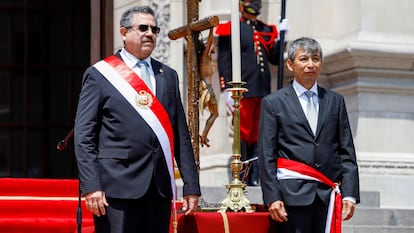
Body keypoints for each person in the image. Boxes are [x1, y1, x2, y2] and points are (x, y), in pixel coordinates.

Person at [74, 5, 200, 233]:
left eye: (154, 29)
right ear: (124, 33)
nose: (150, 33)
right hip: (116, 186)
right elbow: (84, 136)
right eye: (143, 28)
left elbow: (180, 134)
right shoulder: (100, 75)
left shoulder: (168, 76)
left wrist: (191, 185)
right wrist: (92, 186)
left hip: (159, 186)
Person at [258, 37, 360, 233]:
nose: (310, 65)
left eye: (315, 59)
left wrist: (350, 194)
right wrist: (272, 197)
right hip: (290, 197)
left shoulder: (335, 101)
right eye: (304, 59)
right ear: (290, 64)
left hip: (327, 196)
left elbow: (346, 151)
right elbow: (267, 154)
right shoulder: (273, 103)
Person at [216, 0, 281, 186]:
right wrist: (227, 87)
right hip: (242, 89)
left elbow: (275, 59)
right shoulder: (233, 28)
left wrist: (281, 38)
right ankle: (243, 173)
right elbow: (225, 58)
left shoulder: (265, 29)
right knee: (243, 133)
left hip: (263, 90)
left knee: (259, 133)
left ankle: (256, 175)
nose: (254, 4)